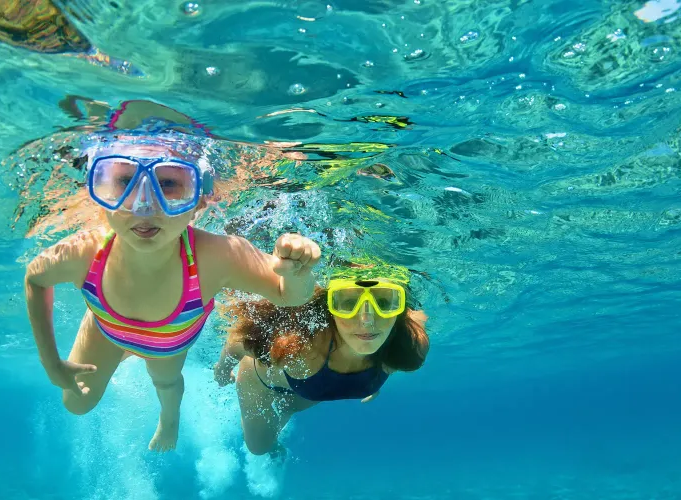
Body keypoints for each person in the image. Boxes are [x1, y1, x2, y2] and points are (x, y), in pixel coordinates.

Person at [23, 132, 321, 452]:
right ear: (101, 191)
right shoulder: (83, 254)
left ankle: (170, 420)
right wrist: (51, 362)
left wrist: (298, 273)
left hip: (168, 340)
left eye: (167, 185)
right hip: (107, 327)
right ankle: (122, 346)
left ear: (199, 201)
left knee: (165, 382)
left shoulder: (215, 257)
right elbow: (35, 279)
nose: (144, 205)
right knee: (75, 403)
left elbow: (290, 296)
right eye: (125, 181)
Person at [213, 260, 430, 456]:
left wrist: (376, 380)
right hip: (263, 384)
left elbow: (392, 353)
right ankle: (274, 450)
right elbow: (239, 342)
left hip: (311, 389)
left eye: (384, 303)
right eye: (347, 303)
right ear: (330, 307)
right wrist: (222, 370)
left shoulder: (410, 344)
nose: (367, 320)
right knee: (259, 448)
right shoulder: (300, 345)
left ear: (400, 309)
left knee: (288, 407)